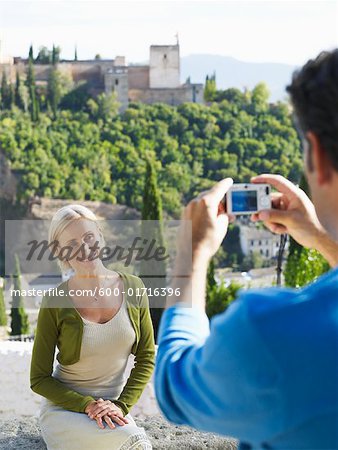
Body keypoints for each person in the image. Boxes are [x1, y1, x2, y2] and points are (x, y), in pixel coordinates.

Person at [154, 49, 338, 449]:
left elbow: (173, 383)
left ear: (317, 155)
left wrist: (191, 256)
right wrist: (323, 239)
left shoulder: (274, 333)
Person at [30, 204, 155, 450]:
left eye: (89, 237)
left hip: (112, 410)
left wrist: (121, 405)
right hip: (65, 412)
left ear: (100, 234)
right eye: (72, 243)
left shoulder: (134, 288)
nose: (84, 248)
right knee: (136, 445)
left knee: (134, 441)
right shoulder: (55, 300)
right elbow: (39, 378)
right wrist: (87, 405)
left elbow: (147, 356)